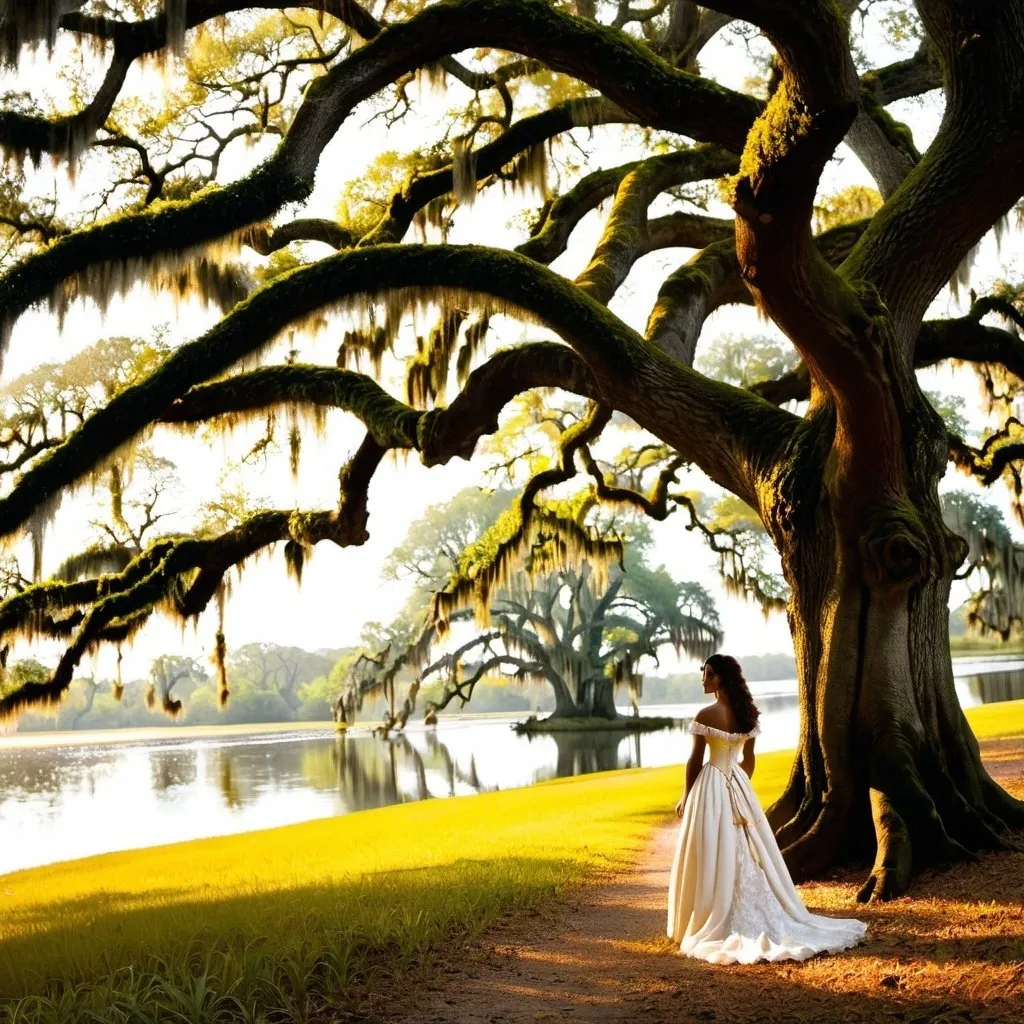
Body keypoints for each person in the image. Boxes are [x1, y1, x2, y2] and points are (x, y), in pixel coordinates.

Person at [666, 654, 868, 964]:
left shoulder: (706, 714)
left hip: (712, 784)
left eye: (707, 674)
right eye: (703, 674)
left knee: (709, 848)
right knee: (744, 848)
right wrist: (737, 784)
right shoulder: (748, 715)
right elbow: (749, 761)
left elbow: (695, 759)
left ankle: (705, 913)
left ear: (720, 678)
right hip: (737, 782)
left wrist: (687, 794)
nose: (703, 680)